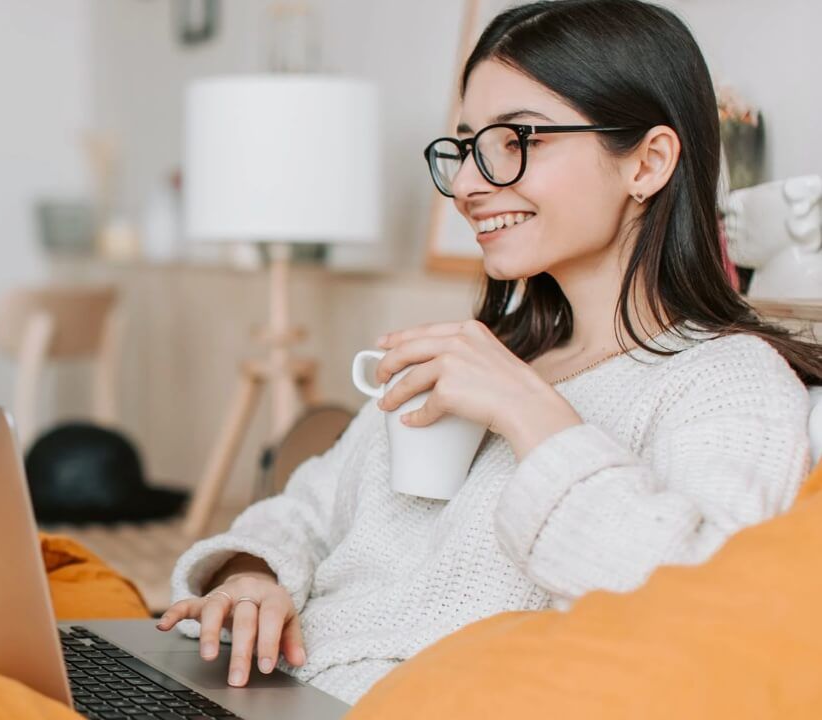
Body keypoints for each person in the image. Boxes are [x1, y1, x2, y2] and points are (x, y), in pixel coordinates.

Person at [157, 0, 822, 705]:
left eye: (517, 141)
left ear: (648, 163)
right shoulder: (485, 353)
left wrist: (529, 413)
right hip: (265, 684)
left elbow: (700, 604)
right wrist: (255, 575)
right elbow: (306, 509)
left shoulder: (724, 382)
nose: (471, 184)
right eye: (469, 146)